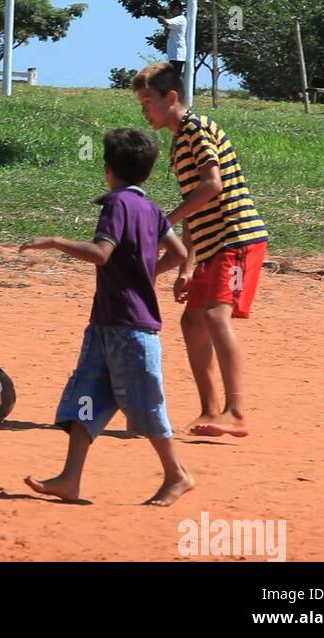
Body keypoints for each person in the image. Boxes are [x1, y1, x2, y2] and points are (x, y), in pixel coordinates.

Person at [19, 128, 192, 506]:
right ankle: (70, 478)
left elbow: (100, 254)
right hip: (106, 324)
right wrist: (146, 275)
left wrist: (53, 242)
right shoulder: (152, 210)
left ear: (108, 169)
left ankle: (177, 475)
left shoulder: (117, 205)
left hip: (131, 328)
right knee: (86, 398)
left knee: (147, 406)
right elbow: (179, 253)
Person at [132, 62, 269, 439]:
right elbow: (196, 209)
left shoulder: (197, 129)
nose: (144, 110)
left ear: (171, 97)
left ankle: (237, 411)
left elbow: (212, 185)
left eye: (148, 101)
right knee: (192, 320)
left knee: (215, 317)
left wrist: (166, 221)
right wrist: (185, 267)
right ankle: (211, 410)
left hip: (237, 239)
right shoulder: (179, 143)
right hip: (211, 246)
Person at [158, 1, 187, 78]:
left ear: (178, 9)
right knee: (172, 77)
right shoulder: (175, 20)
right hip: (173, 53)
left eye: (173, 8)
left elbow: (166, 22)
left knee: (174, 78)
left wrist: (161, 17)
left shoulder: (180, 19)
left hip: (178, 53)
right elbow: (166, 32)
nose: (172, 11)